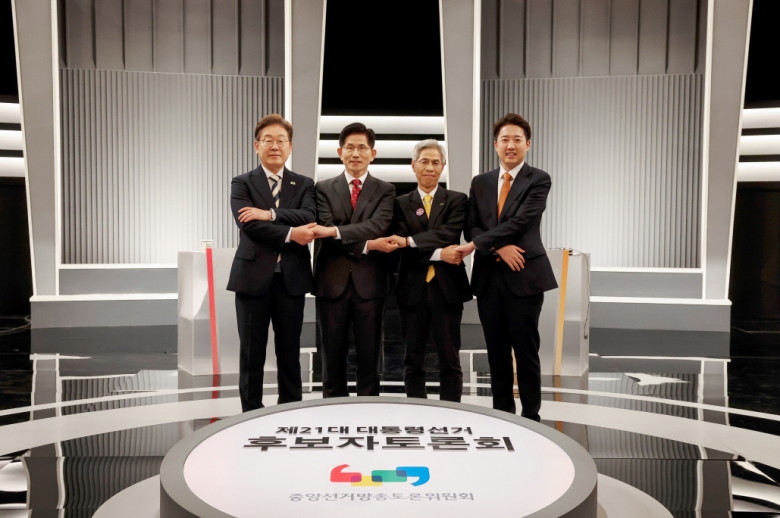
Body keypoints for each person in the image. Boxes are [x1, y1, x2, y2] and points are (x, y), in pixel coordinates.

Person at [456, 113, 557, 421]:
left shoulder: (538, 179)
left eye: (517, 140)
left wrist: (477, 245)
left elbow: (522, 221)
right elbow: (470, 225)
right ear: (495, 145)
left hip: (524, 274)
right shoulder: (481, 182)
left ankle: (531, 417)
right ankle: (502, 415)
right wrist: (497, 247)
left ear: (528, 144)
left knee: (525, 351)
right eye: (504, 140)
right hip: (489, 277)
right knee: (496, 352)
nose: (510, 145)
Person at [226, 114, 317, 412]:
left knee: (289, 351)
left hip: (291, 279)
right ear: (257, 146)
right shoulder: (242, 182)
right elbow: (248, 224)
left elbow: (309, 216)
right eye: (268, 140)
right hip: (252, 278)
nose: (275, 146)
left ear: (290, 146)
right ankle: (250, 413)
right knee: (251, 353)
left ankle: (290, 411)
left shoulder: (304, 184)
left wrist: (270, 214)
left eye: (281, 140)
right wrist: (291, 233)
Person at [311, 123, 397, 398]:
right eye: (350, 147)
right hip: (331, 282)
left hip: (370, 282)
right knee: (331, 354)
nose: (356, 153)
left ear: (373, 153)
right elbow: (324, 231)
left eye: (362, 147)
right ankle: (332, 409)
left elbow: (378, 225)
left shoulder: (386, 190)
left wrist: (336, 231)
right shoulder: (322, 188)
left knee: (370, 354)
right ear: (340, 152)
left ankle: (368, 407)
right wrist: (368, 245)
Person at [386, 139, 472, 402]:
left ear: (443, 166)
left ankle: (452, 412)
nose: (430, 167)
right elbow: (399, 244)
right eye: (424, 162)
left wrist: (411, 241)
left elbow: (449, 233)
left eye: (436, 162)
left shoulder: (457, 200)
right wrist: (439, 254)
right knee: (413, 358)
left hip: (448, 288)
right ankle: (416, 410)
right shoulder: (399, 203)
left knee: (450, 357)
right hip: (412, 287)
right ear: (413, 165)